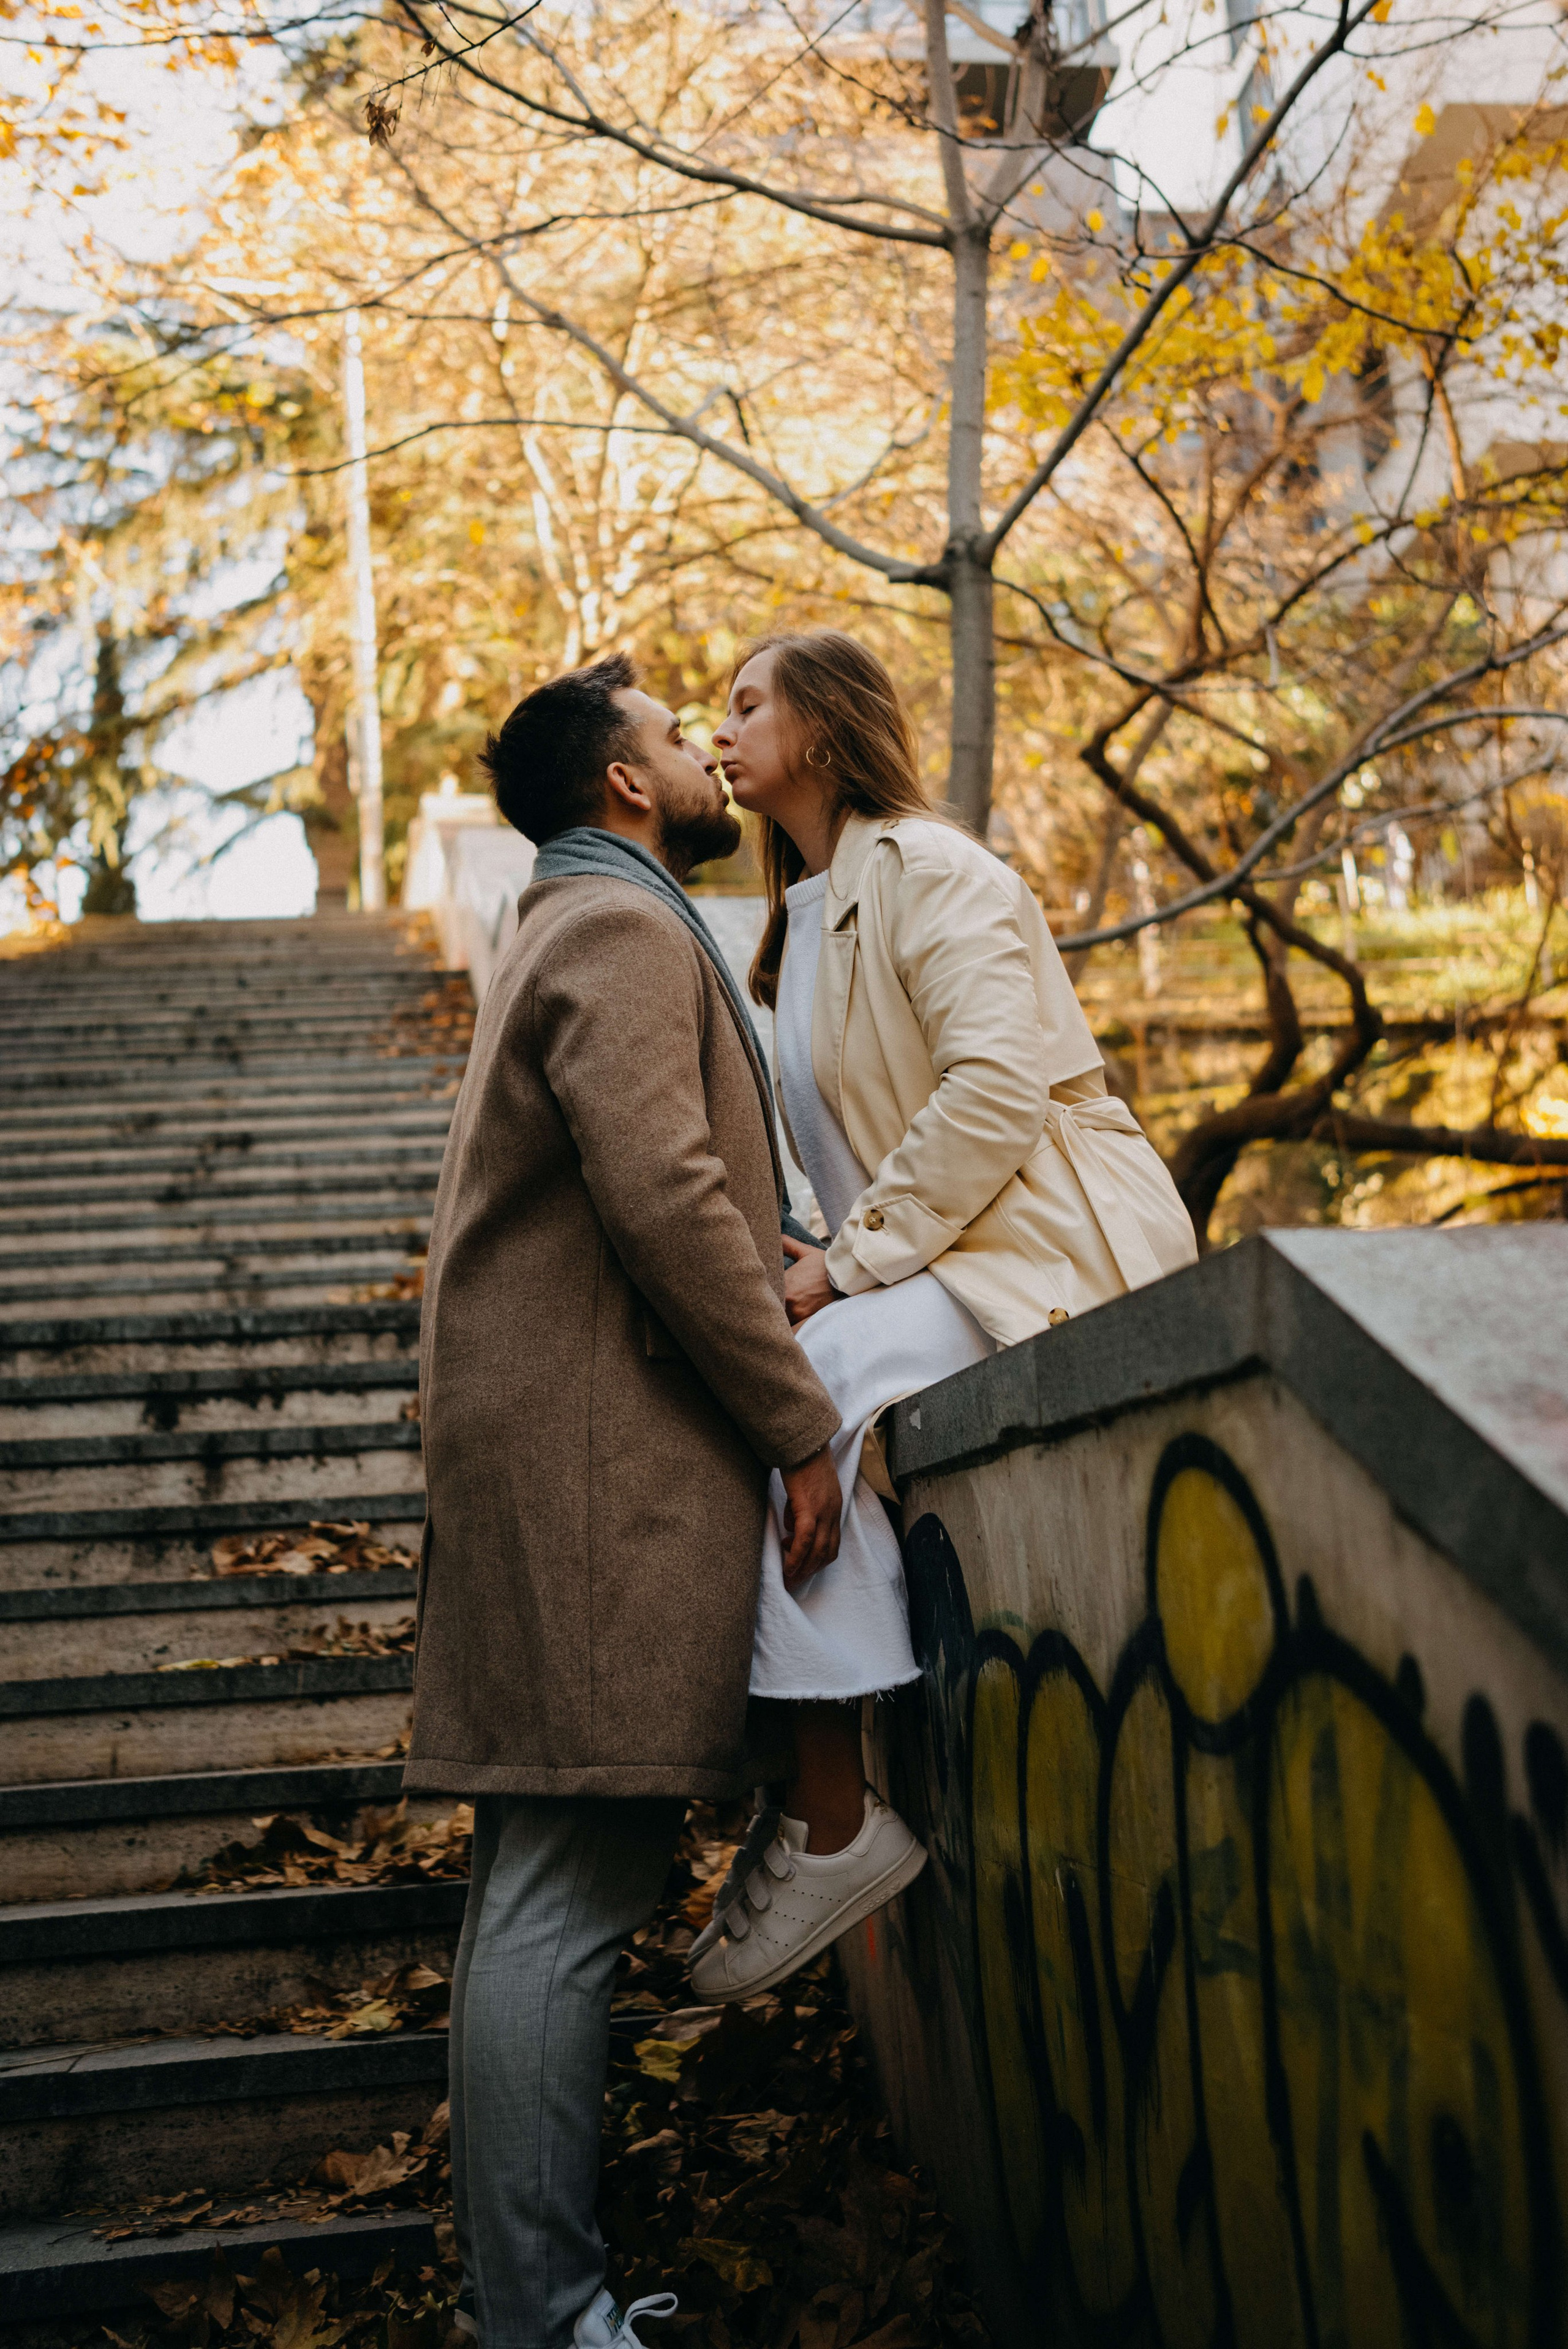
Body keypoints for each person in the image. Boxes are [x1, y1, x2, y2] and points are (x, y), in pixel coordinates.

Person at [405, 652, 859, 2349]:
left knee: (542, 1887)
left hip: (566, 1459)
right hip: (595, 1472)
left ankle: (539, 2301)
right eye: (677, 740)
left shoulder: (570, 914)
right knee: (564, 1898)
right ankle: (544, 2318)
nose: (701, 766)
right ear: (621, 784)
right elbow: (663, 1189)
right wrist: (796, 1416)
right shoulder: (614, 923)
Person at [686, 630, 1198, 2003]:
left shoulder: (930, 868)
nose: (719, 730)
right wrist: (818, 1243)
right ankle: (812, 1801)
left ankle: (830, 1819)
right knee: (775, 1392)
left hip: (1041, 1249)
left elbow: (993, 1094)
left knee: (795, 1389)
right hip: (929, 1257)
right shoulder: (799, 915)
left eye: (746, 706)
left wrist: (842, 1266)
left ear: (827, 726)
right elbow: (861, 1147)